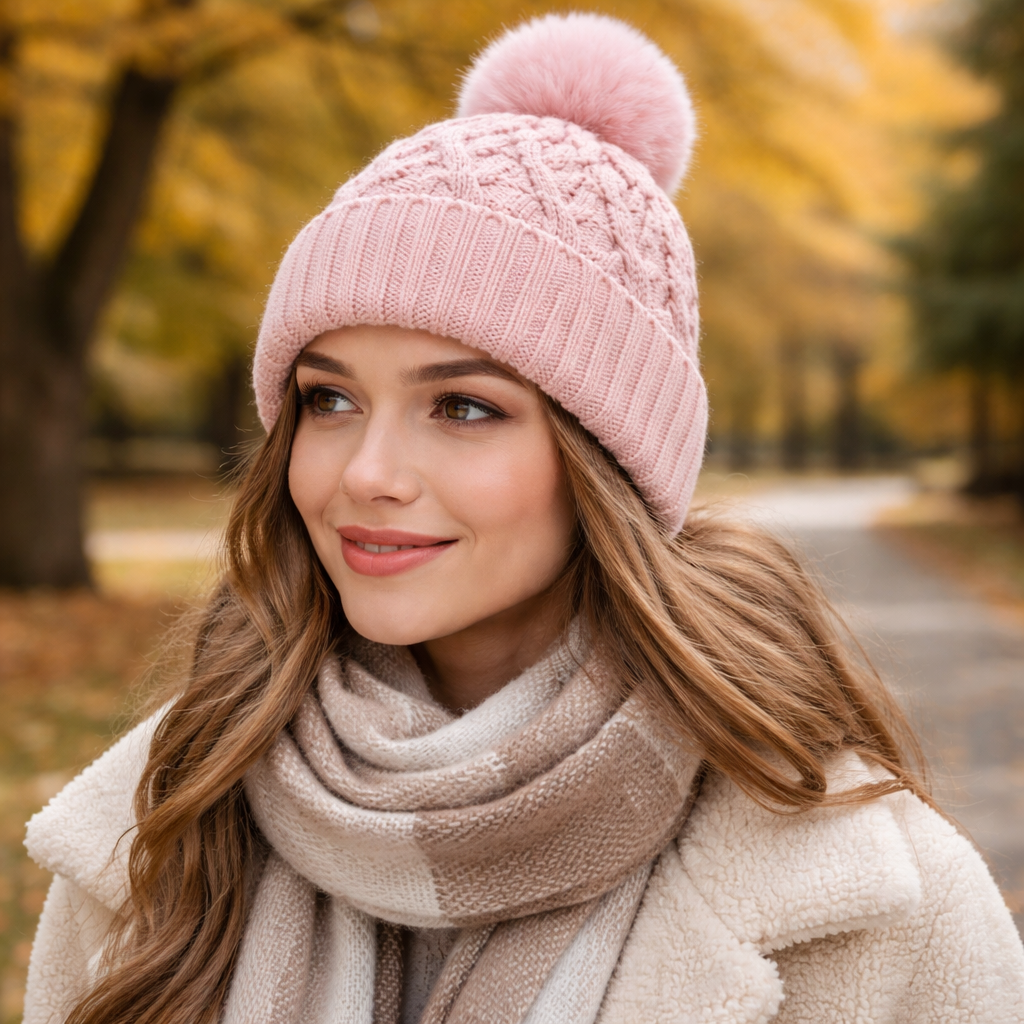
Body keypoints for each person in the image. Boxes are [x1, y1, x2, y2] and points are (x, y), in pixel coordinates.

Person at [21, 13, 1024, 1024]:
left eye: (462, 406)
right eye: (329, 399)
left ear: (607, 458)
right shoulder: (162, 818)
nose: (366, 472)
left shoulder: (870, 893)